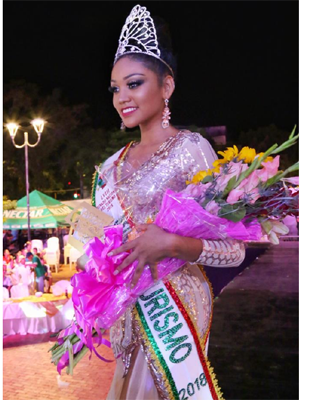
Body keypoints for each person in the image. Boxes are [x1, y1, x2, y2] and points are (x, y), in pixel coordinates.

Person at [97, 5, 247, 399]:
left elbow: (232, 251)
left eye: (134, 84)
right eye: (115, 88)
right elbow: (98, 247)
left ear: (167, 87)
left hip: (175, 310)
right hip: (128, 315)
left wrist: (169, 245)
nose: (122, 97)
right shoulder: (109, 168)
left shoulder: (192, 150)